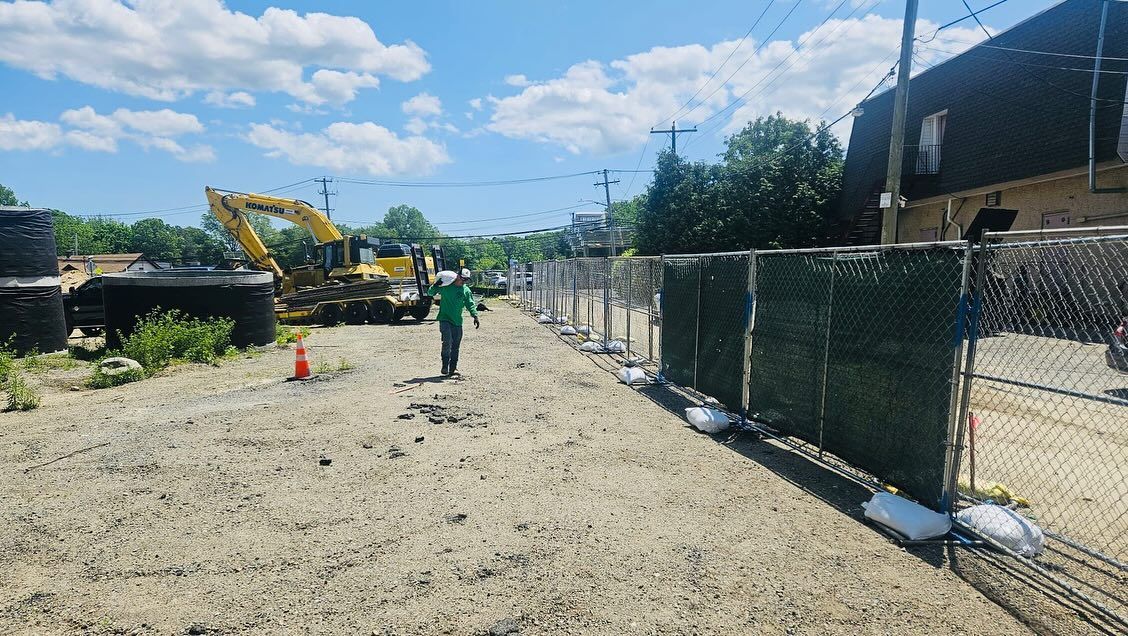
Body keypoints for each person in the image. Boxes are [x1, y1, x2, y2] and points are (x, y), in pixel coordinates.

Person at [427, 268, 480, 377]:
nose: (463, 282)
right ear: (457, 276)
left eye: (466, 280)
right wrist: (436, 285)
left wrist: (475, 315)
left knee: (456, 345)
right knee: (447, 342)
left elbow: (470, 303)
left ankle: (453, 368)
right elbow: (430, 293)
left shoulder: (465, 290)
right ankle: (445, 366)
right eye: (462, 279)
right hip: (444, 318)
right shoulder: (446, 287)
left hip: (457, 321)